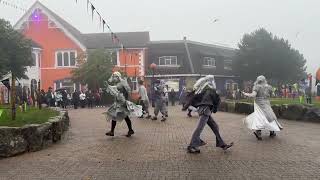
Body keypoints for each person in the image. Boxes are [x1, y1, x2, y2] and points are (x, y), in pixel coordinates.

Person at [184, 75, 233, 153]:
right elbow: (216, 101)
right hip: (205, 111)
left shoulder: (204, 90)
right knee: (199, 128)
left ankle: (222, 144)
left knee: (215, 126)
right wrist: (215, 109)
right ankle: (191, 145)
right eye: (213, 80)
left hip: (205, 111)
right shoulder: (210, 90)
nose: (214, 81)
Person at [242, 75, 283, 140]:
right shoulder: (268, 87)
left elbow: (253, 95)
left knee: (259, 117)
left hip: (259, 104)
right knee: (270, 116)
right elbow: (271, 95)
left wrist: (246, 94)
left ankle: (259, 133)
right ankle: (272, 131)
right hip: (266, 103)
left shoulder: (257, 86)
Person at [104, 72, 142, 137]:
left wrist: (127, 100)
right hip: (117, 102)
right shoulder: (116, 83)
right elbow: (115, 91)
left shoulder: (122, 82)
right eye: (113, 77)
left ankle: (128, 130)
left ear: (118, 77)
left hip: (122, 102)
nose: (114, 78)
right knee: (116, 116)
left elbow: (128, 90)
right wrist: (109, 86)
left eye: (115, 77)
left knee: (122, 116)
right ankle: (114, 131)